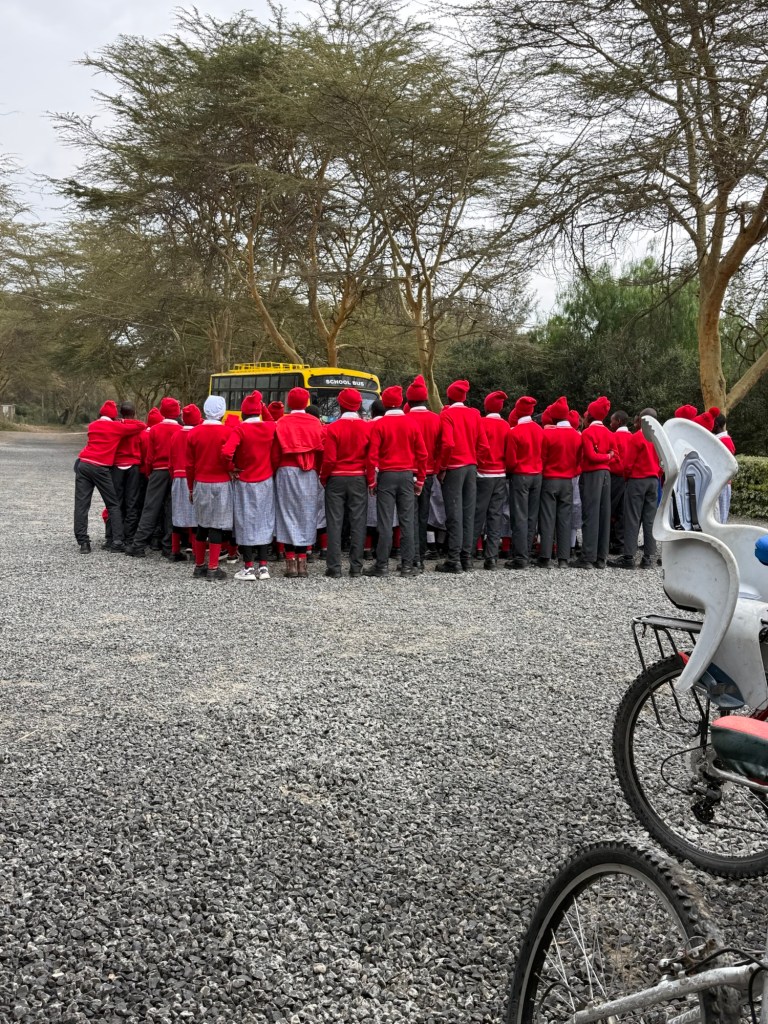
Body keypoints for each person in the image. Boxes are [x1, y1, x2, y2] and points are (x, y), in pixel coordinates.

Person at [365, 385, 428, 578]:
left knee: (385, 522)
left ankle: (382, 565)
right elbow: (423, 455)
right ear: (401, 402)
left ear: (384, 403)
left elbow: (372, 457)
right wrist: (420, 480)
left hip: (387, 476)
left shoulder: (380, 425)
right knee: (407, 521)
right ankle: (407, 565)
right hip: (407, 476)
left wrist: (371, 482)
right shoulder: (411, 424)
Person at [73, 401, 146, 553]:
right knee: (113, 504)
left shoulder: (92, 425)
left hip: (84, 464)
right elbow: (141, 426)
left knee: (81, 505)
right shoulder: (116, 427)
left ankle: (83, 543)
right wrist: (122, 421)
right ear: (114, 416)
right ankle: (117, 541)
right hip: (101, 467)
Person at [435, 379, 490, 573]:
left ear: (448, 397)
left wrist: (442, 467)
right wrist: (475, 461)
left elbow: (448, 443)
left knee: (454, 514)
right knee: (468, 513)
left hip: (454, 468)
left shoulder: (447, 414)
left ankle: (454, 559)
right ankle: (467, 558)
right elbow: (484, 446)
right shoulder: (474, 414)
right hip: (471, 467)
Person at [222, 391, 278, 582]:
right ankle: (263, 566)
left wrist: (231, 467)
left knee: (245, 522)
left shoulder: (240, 429)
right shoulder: (269, 427)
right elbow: (272, 420)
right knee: (264, 521)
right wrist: (262, 406)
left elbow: (226, 452)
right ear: (258, 412)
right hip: (266, 480)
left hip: (245, 480)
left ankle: (248, 567)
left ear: (243, 412)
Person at [274, 387, 325, 578]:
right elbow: (321, 451)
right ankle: (302, 561)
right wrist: (319, 471)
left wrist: (274, 470)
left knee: (286, 513)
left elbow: (275, 452)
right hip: (309, 471)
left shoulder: (282, 422)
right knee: (307, 513)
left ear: (289, 402)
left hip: (286, 470)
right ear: (306, 402)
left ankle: (290, 562)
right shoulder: (315, 423)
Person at [320, 387, 370, 579]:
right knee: (358, 521)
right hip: (358, 477)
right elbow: (370, 459)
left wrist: (324, 477)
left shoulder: (332, 428)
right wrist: (370, 480)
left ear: (340, 405)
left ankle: (334, 567)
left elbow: (329, 459)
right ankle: (356, 566)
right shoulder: (366, 427)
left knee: (334, 522)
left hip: (336, 478)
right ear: (358, 405)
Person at [126, 397, 182, 557]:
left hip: (158, 471)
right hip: (175, 473)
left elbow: (149, 456)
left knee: (150, 508)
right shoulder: (181, 430)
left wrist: (149, 472)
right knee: (171, 510)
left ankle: (138, 545)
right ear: (177, 413)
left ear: (163, 412)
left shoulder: (155, 430)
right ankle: (169, 546)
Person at [186, 395, 234, 582]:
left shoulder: (194, 433)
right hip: (221, 482)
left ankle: (199, 565)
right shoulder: (228, 432)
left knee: (202, 524)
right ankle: (213, 567)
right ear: (222, 412)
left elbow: (189, 465)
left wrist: (191, 488)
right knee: (217, 525)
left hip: (201, 482)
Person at [610, 407, 660, 569]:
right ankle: (648, 557)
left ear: (641, 420)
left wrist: (627, 478)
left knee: (632, 518)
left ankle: (629, 557)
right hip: (654, 480)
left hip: (637, 480)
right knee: (649, 520)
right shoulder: (659, 438)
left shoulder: (637, 437)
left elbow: (628, 464)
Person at [538, 396, 581, 568]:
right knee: (565, 519)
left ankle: (546, 557)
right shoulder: (576, 436)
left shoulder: (547, 434)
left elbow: (542, 458)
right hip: (568, 481)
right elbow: (579, 460)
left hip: (550, 479)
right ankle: (563, 558)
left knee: (548, 518)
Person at [574, 396, 617, 569]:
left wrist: (603, 456)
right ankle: (601, 557)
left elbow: (591, 456)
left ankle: (588, 557)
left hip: (592, 475)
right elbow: (615, 456)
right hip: (606, 474)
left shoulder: (587, 433)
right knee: (604, 514)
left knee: (590, 514)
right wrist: (608, 456)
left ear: (590, 415)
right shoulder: (609, 433)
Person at [405, 375, 441, 571]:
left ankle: (411, 556)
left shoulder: (405, 419)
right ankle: (420, 555)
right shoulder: (436, 419)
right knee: (423, 515)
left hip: (407, 472)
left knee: (408, 516)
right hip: (428, 473)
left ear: (409, 400)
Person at [505, 395, 543, 570]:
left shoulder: (514, 432)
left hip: (521, 475)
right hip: (537, 474)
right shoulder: (539, 430)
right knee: (531, 516)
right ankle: (526, 551)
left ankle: (520, 557)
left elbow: (511, 461)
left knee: (519, 515)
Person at [474, 390, 510, 570]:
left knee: (477, 514)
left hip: (483, 473)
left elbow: (479, 447)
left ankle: (468, 553)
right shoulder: (506, 425)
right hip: (500, 474)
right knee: (495, 515)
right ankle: (492, 557)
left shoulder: (481, 423)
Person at [107, 401, 145, 550]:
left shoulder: (115, 427)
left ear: (120, 413)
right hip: (133, 466)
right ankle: (129, 538)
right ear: (134, 413)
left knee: (115, 502)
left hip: (117, 465)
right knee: (132, 502)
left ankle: (112, 537)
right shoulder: (138, 428)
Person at [168, 403, 203, 562]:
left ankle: (175, 550)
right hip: (193, 477)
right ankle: (196, 551)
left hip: (177, 476)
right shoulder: (198, 434)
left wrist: (173, 475)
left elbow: (171, 460)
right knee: (196, 516)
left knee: (177, 513)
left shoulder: (175, 435)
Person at [608, 409, 631, 553]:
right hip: (629, 478)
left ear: (619, 421)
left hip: (615, 476)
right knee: (623, 511)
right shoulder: (632, 437)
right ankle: (621, 542)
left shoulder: (613, 437)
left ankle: (609, 541)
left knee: (610, 509)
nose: (610, 424)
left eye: (612, 421)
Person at [714, 411, 736, 523]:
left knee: (720, 517)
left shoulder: (724, 441)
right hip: (721, 482)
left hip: (722, 482)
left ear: (716, 424)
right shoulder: (723, 439)